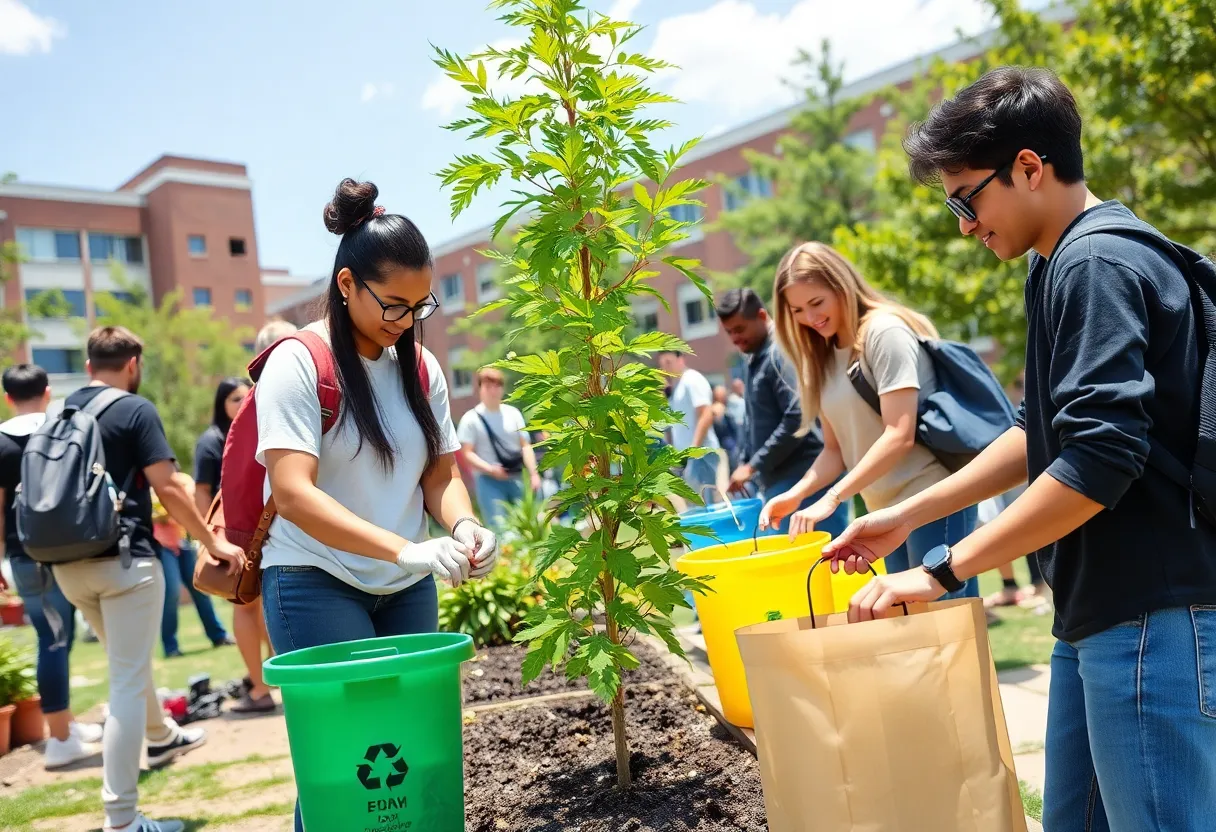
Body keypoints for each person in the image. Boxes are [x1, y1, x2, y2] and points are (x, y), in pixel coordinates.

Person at [823, 67, 1216, 830]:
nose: (963, 226)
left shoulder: (1096, 263)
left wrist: (942, 570)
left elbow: (1097, 461)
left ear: (1030, 167)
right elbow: (1040, 432)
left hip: (1149, 616)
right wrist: (909, 514)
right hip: (1098, 609)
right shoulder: (1055, 263)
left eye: (966, 199)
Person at [255, 179, 499, 832]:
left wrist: (465, 524)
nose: (405, 322)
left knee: (412, 758)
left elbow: (439, 476)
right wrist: (406, 547)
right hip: (314, 581)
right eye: (392, 305)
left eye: (420, 307)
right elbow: (293, 494)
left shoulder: (419, 368)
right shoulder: (299, 364)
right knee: (345, 766)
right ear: (345, 285)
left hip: (406, 584)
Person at [51, 326, 246, 832]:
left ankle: (161, 737)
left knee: (127, 661)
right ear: (133, 363)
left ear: (90, 363)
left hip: (67, 566)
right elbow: (170, 489)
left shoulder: (63, 411)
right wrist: (211, 540)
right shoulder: (134, 410)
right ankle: (121, 819)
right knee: (125, 680)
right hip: (124, 562)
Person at [757, 242, 979, 600]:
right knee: (912, 633)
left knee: (947, 631)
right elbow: (835, 450)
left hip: (932, 497)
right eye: (797, 310)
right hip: (882, 514)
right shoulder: (823, 354)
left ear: (841, 286)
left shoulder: (882, 332)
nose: (810, 318)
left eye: (817, 303)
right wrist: (795, 496)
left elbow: (899, 434)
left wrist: (833, 497)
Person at [0, 364, 104, 769]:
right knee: (59, 638)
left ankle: (64, 725)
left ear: (8, 397)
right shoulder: (62, 427)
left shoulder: (2, 441)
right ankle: (60, 739)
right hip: (74, 546)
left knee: (53, 638)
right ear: (46, 391)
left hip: (24, 553)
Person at [715, 288, 849, 539]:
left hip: (807, 480)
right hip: (780, 482)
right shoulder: (753, 357)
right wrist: (745, 462)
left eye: (740, 329)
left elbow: (798, 416)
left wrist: (753, 466)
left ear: (762, 316)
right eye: (729, 332)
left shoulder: (781, 353)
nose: (735, 338)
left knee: (826, 565)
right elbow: (753, 419)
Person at [192, 375, 274, 713]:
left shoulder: (260, 426)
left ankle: (270, 676)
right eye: (234, 399)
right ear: (221, 404)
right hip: (232, 534)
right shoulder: (212, 441)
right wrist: (208, 541)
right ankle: (258, 687)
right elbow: (201, 494)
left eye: (246, 397)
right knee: (244, 603)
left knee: (268, 602)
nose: (242, 404)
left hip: (263, 528)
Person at [152, 471, 235, 658]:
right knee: (171, 592)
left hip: (183, 542)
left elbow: (192, 505)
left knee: (201, 588)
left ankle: (218, 636)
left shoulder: (183, 480)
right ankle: (170, 646)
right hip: (161, 545)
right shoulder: (152, 484)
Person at [456, 366, 542, 528]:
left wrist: (533, 473)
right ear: (480, 389)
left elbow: (525, 446)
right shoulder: (470, 419)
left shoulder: (513, 414)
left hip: (517, 476)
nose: (493, 391)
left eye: (497, 386)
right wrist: (490, 469)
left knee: (529, 525)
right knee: (500, 527)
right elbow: (466, 453)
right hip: (488, 480)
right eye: (488, 386)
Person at [657, 351, 722, 501]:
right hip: (688, 458)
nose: (665, 368)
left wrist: (693, 451)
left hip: (701, 455)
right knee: (696, 506)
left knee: (707, 503)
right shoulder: (675, 388)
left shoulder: (691, 379)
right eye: (662, 365)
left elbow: (706, 414)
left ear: (681, 360)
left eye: (668, 362)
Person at [710, 385, 741, 471]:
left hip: (733, 440)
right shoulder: (716, 408)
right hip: (726, 442)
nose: (724, 396)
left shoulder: (729, 405)